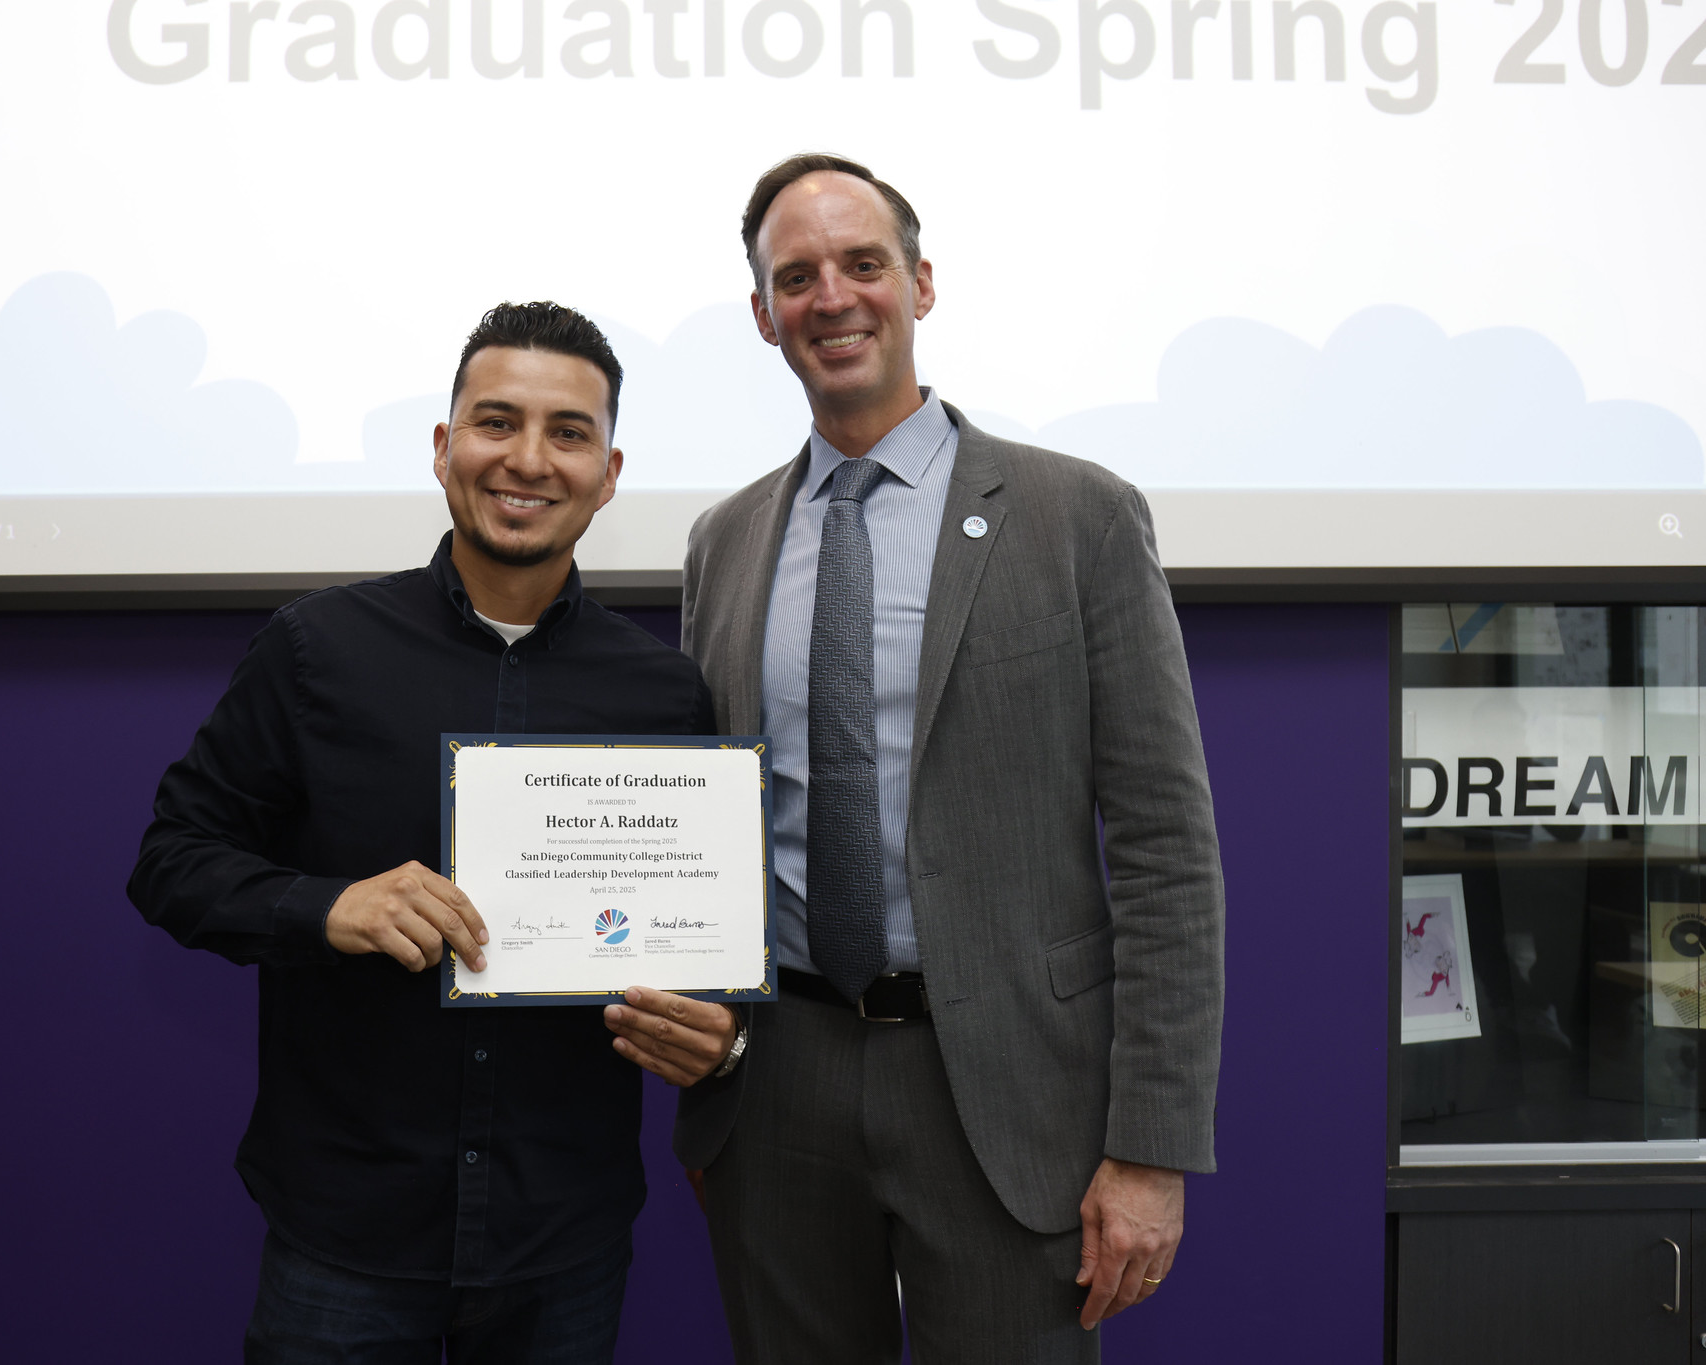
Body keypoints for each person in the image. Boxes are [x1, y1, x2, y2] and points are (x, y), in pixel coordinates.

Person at [668, 153, 1227, 1363]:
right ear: (763, 317)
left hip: (1009, 1092)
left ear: (919, 284)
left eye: (862, 265)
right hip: (779, 1086)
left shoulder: (1075, 515)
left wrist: (1150, 1147)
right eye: (796, 277)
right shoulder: (721, 544)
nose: (833, 297)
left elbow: (1164, 849)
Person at [127, 301, 739, 1364]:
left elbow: (691, 942)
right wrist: (327, 906)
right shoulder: (315, 650)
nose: (528, 460)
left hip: (563, 1234)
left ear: (609, 469)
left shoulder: (664, 694)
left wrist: (715, 1030)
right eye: (495, 422)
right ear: (443, 446)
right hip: (346, 1231)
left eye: (568, 433)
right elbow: (171, 861)